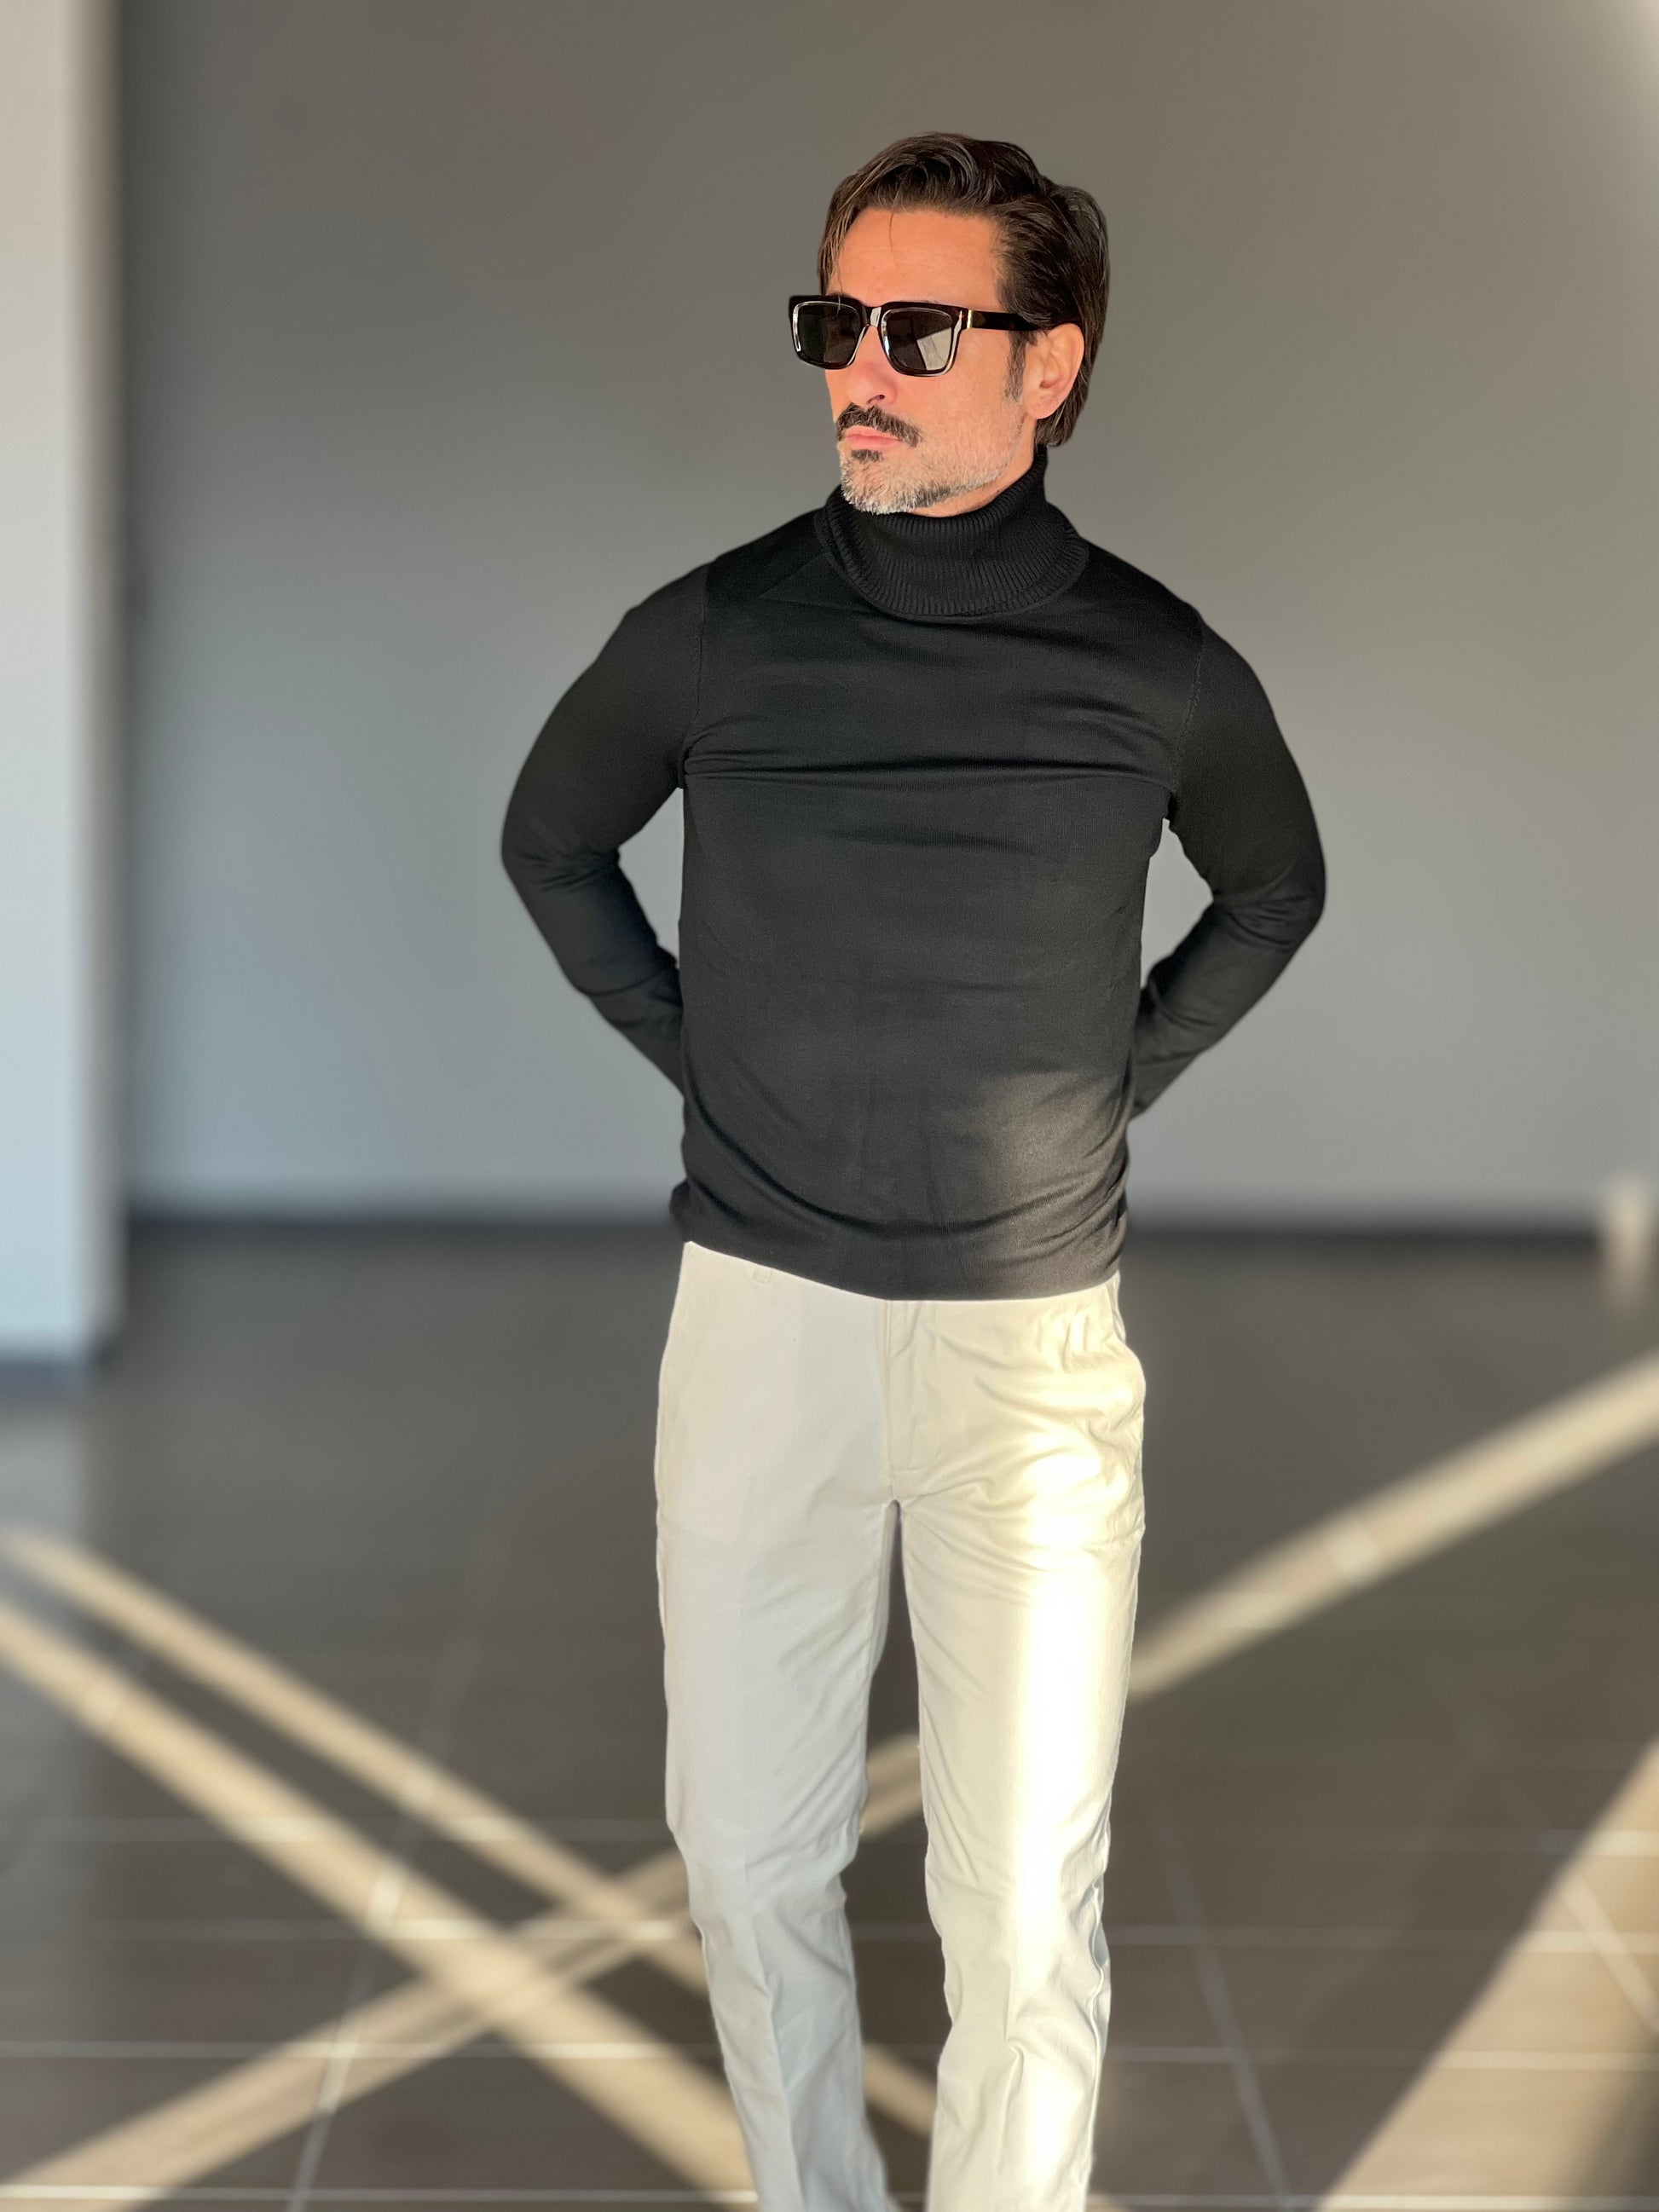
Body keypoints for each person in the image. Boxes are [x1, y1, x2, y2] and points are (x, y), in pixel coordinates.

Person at [501, 131, 1325, 2212]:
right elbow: (552, 837)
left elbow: (1274, 884)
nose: (858, 371)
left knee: (1022, 1897)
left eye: (917, 331)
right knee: (745, 1854)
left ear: (1049, 366)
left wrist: (1114, 1077)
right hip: (760, 1321)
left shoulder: (1155, 664)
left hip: (1025, 1355)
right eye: (835, 324)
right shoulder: (717, 633)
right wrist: (703, 1055)